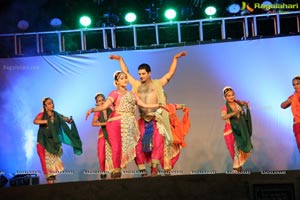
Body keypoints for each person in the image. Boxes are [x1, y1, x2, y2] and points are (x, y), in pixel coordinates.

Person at [109, 51, 187, 176]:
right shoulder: (136, 84)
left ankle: (154, 169)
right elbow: (126, 72)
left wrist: (175, 58)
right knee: (137, 144)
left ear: (149, 73)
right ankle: (142, 171)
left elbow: (170, 73)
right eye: (139, 74)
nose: (141, 76)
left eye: (143, 74)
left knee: (158, 143)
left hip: (156, 118)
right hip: (142, 119)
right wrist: (120, 60)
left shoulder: (157, 83)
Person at [86, 71, 167, 179]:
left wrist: (160, 105)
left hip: (130, 123)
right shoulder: (114, 93)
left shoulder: (132, 94)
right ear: (117, 82)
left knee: (136, 144)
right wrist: (92, 109)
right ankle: (116, 170)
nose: (125, 80)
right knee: (116, 146)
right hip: (116, 122)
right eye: (122, 78)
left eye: (125, 78)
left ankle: (143, 172)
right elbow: (104, 106)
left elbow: (144, 105)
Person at [33, 97, 82, 184]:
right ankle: (51, 186)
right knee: (48, 167)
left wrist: (69, 120)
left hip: (53, 143)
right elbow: (35, 121)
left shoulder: (56, 115)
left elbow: (64, 118)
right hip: (43, 142)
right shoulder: (42, 114)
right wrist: (46, 121)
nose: (51, 105)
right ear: (45, 106)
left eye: (52, 103)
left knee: (53, 168)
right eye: (49, 103)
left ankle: (52, 188)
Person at [221, 86, 253, 172]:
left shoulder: (238, 103)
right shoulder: (225, 107)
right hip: (230, 132)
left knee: (240, 151)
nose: (231, 97)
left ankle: (238, 170)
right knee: (236, 153)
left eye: (232, 95)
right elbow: (223, 117)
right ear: (225, 97)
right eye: (229, 96)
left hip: (240, 131)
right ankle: (237, 171)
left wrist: (246, 105)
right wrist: (233, 113)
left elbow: (245, 104)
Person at [161, 92, 190, 174]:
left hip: (174, 132)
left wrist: (184, 106)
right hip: (165, 132)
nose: (162, 99)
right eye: (160, 97)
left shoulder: (172, 106)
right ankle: (167, 170)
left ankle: (169, 168)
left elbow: (181, 105)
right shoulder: (158, 108)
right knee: (166, 151)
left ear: (166, 97)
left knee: (176, 152)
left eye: (163, 97)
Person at [91, 93, 113, 179]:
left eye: (103, 100)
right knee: (102, 154)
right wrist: (105, 123)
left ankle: (114, 173)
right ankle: (103, 172)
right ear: (97, 103)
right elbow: (93, 123)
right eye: (99, 101)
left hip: (112, 133)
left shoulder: (110, 107)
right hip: (103, 134)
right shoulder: (97, 112)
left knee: (112, 154)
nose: (101, 102)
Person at [281, 76, 300, 153]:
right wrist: (289, 101)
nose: (295, 86)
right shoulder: (293, 96)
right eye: (294, 84)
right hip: (297, 125)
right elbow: (282, 106)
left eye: (298, 84)